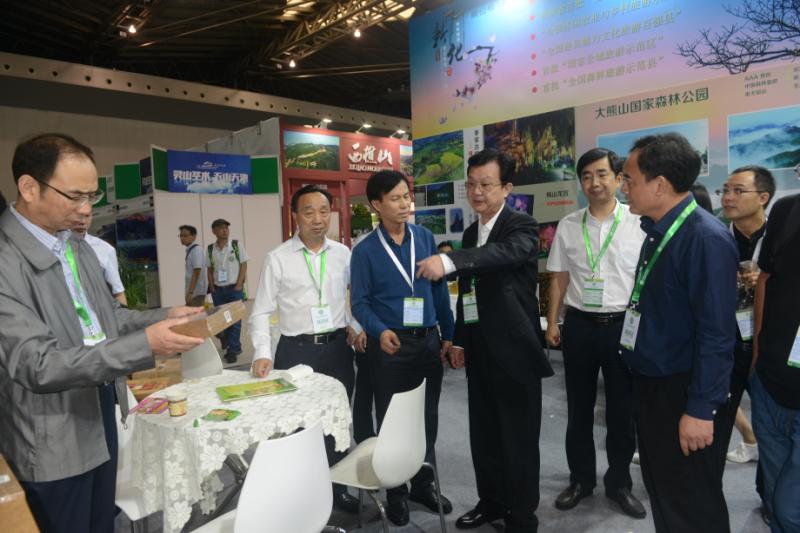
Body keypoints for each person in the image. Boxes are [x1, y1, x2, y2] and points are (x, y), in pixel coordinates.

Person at [0, 133, 204, 533]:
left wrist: (166, 316)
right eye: (75, 196)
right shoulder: (7, 260)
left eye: (92, 196)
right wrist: (144, 345)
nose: (85, 209)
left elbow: (107, 317)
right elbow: (36, 364)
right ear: (28, 187)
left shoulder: (74, 245)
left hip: (99, 411)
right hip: (50, 437)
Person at [416, 148, 554, 533]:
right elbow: (469, 294)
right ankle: (491, 503)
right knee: (485, 437)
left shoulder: (521, 225)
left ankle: (521, 518)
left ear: (506, 188)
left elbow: (504, 254)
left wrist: (449, 261)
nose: (477, 192)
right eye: (471, 184)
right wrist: (460, 339)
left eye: (486, 184)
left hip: (515, 353)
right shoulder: (470, 232)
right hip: (480, 352)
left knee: (518, 441)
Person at [619, 133, 737, 533]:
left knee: (692, 503)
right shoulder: (657, 230)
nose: (623, 187)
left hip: (682, 390)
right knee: (666, 493)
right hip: (653, 384)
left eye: (629, 179)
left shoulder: (704, 238)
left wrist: (701, 410)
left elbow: (717, 334)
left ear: (659, 184)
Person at [248, 184, 366, 513]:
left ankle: (337, 489)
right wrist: (262, 352)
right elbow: (261, 311)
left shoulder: (343, 254)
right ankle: (301, 496)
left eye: (324, 211)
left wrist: (355, 325)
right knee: (298, 426)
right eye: (309, 212)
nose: (318, 219)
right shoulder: (278, 258)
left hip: (337, 349)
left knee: (336, 421)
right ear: (295, 217)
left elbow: (353, 300)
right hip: (296, 352)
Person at [544, 148, 646, 519]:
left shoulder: (639, 223)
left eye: (602, 174)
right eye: (586, 176)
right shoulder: (569, 224)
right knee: (578, 410)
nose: (594, 182)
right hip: (580, 327)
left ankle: (619, 483)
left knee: (622, 411)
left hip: (623, 327)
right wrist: (552, 322)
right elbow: (559, 278)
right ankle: (581, 480)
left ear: (619, 179)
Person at [350, 170, 454, 526]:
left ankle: (423, 484)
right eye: (395, 198)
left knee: (427, 418)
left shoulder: (424, 237)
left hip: (427, 342)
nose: (405, 203)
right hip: (390, 346)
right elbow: (360, 303)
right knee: (392, 420)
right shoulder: (365, 251)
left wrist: (448, 332)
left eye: (406, 196)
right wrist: (379, 331)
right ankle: (396, 491)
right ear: (376, 205)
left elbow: (438, 290)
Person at [718, 167, 775, 472]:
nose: (728, 197)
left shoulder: (783, 236)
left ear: (763, 197)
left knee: (775, 425)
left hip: (770, 341)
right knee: (717, 417)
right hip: (727, 340)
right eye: (725, 190)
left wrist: (767, 281)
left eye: (738, 191)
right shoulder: (715, 237)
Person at [751, 187, 800, 532]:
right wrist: (757, 350)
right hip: (770, 381)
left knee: (789, 508)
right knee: (773, 498)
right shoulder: (787, 211)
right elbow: (765, 280)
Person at [207, 218, 248, 363]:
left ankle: (233, 350)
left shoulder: (236, 245)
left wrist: (239, 283)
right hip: (218, 290)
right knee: (223, 320)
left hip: (234, 289)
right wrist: (212, 287)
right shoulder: (211, 249)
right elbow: (209, 269)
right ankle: (227, 340)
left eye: (226, 228)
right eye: (221, 228)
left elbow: (243, 264)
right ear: (214, 231)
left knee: (235, 319)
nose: (225, 230)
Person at [73, 213, 127, 306]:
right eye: (77, 216)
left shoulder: (105, 249)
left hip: (98, 311)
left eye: (87, 216)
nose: (82, 221)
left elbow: (117, 292)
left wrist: (124, 313)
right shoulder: (54, 246)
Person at [179, 224, 208, 306]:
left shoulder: (196, 250)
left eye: (185, 235)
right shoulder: (191, 250)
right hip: (194, 293)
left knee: (195, 314)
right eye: (181, 236)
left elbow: (197, 271)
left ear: (194, 236)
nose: (182, 238)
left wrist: (190, 292)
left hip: (196, 293)